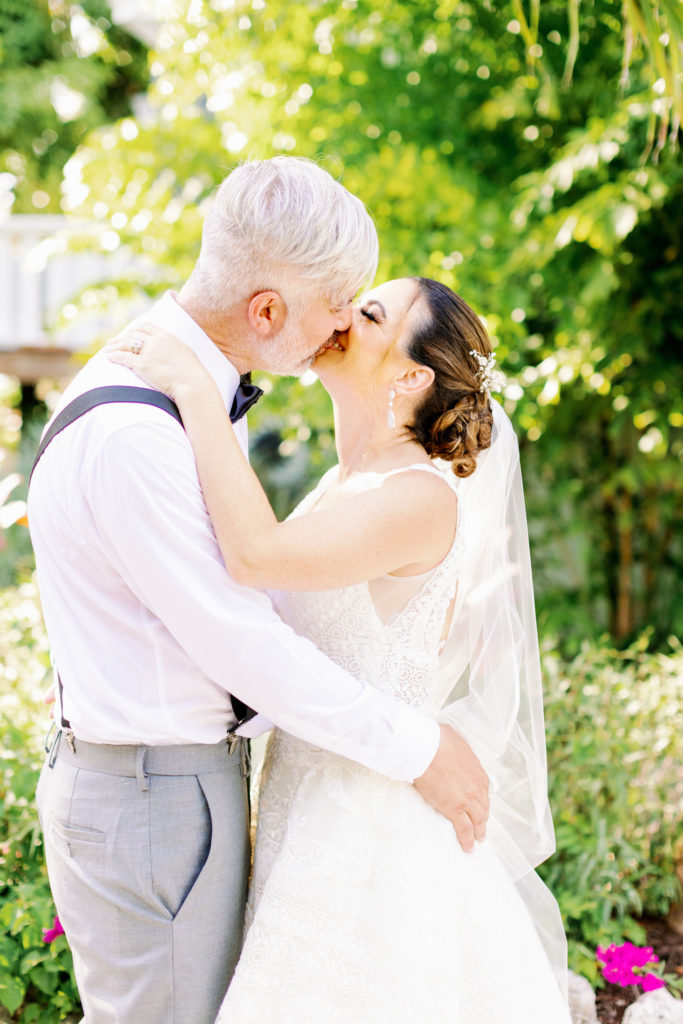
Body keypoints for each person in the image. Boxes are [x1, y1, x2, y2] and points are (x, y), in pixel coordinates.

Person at [28, 158, 490, 1024]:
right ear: (269, 310)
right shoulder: (144, 431)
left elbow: (265, 590)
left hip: (258, 800)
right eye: (342, 300)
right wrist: (416, 747)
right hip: (156, 796)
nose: (344, 323)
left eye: (367, 308)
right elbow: (243, 637)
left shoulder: (192, 404)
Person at [107, 275, 572, 1023]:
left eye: (370, 314)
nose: (342, 317)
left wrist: (193, 388)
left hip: (365, 831)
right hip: (303, 796)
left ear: (410, 375)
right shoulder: (340, 486)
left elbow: (254, 557)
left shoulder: (420, 499)